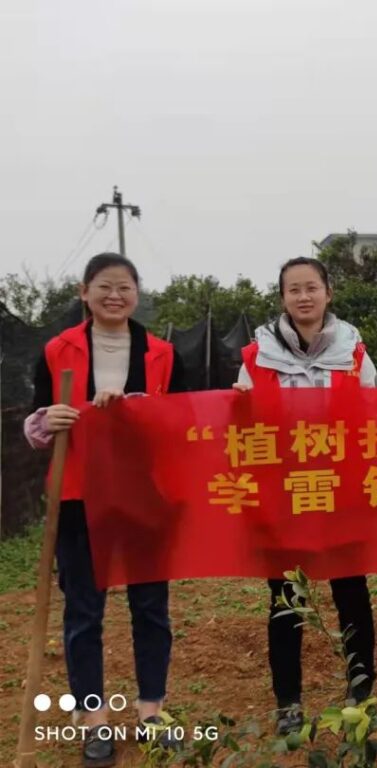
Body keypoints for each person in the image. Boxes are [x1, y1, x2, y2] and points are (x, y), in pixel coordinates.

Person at [24, 253, 187, 767]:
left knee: (150, 608)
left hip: (144, 496)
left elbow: (181, 422)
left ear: (137, 293)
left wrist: (140, 409)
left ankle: (151, 710)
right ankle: (92, 719)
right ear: (84, 292)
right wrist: (48, 419)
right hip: (78, 495)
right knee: (84, 610)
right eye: (104, 287)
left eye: (124, 287)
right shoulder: (57, 350)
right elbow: (36, 421)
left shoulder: (162, 353)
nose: (114, 295)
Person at [234, 257, 377, 734]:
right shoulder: (256, 358)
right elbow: (241, 427)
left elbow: (375, 416)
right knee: (285, 600)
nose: (303, 297)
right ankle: (289, 703)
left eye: (311, 287)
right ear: (282, 298)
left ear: (328, 293)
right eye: (293, 289)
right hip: (284, 497)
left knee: (351, 592)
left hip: (341, 494)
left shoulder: (354, 352)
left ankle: (361, 692)